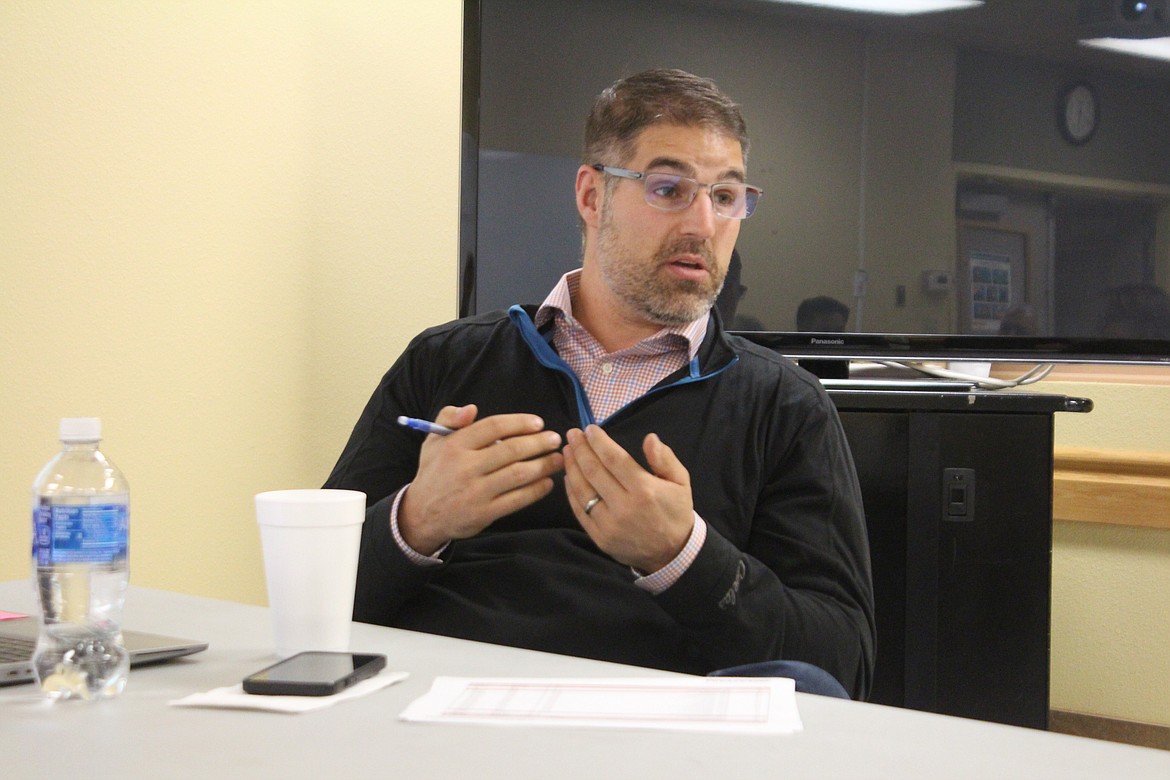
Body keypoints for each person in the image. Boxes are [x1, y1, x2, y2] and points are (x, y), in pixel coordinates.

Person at [323, 68, 875, 699]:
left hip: (662, 734)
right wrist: (417, 519)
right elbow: (314, 595)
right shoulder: (446, 363)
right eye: (669, 188)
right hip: (439, 709)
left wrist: (683, 556)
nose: (703, 223)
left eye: (725, 197)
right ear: (592, 196)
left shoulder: (784, 405)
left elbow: (840, 666)